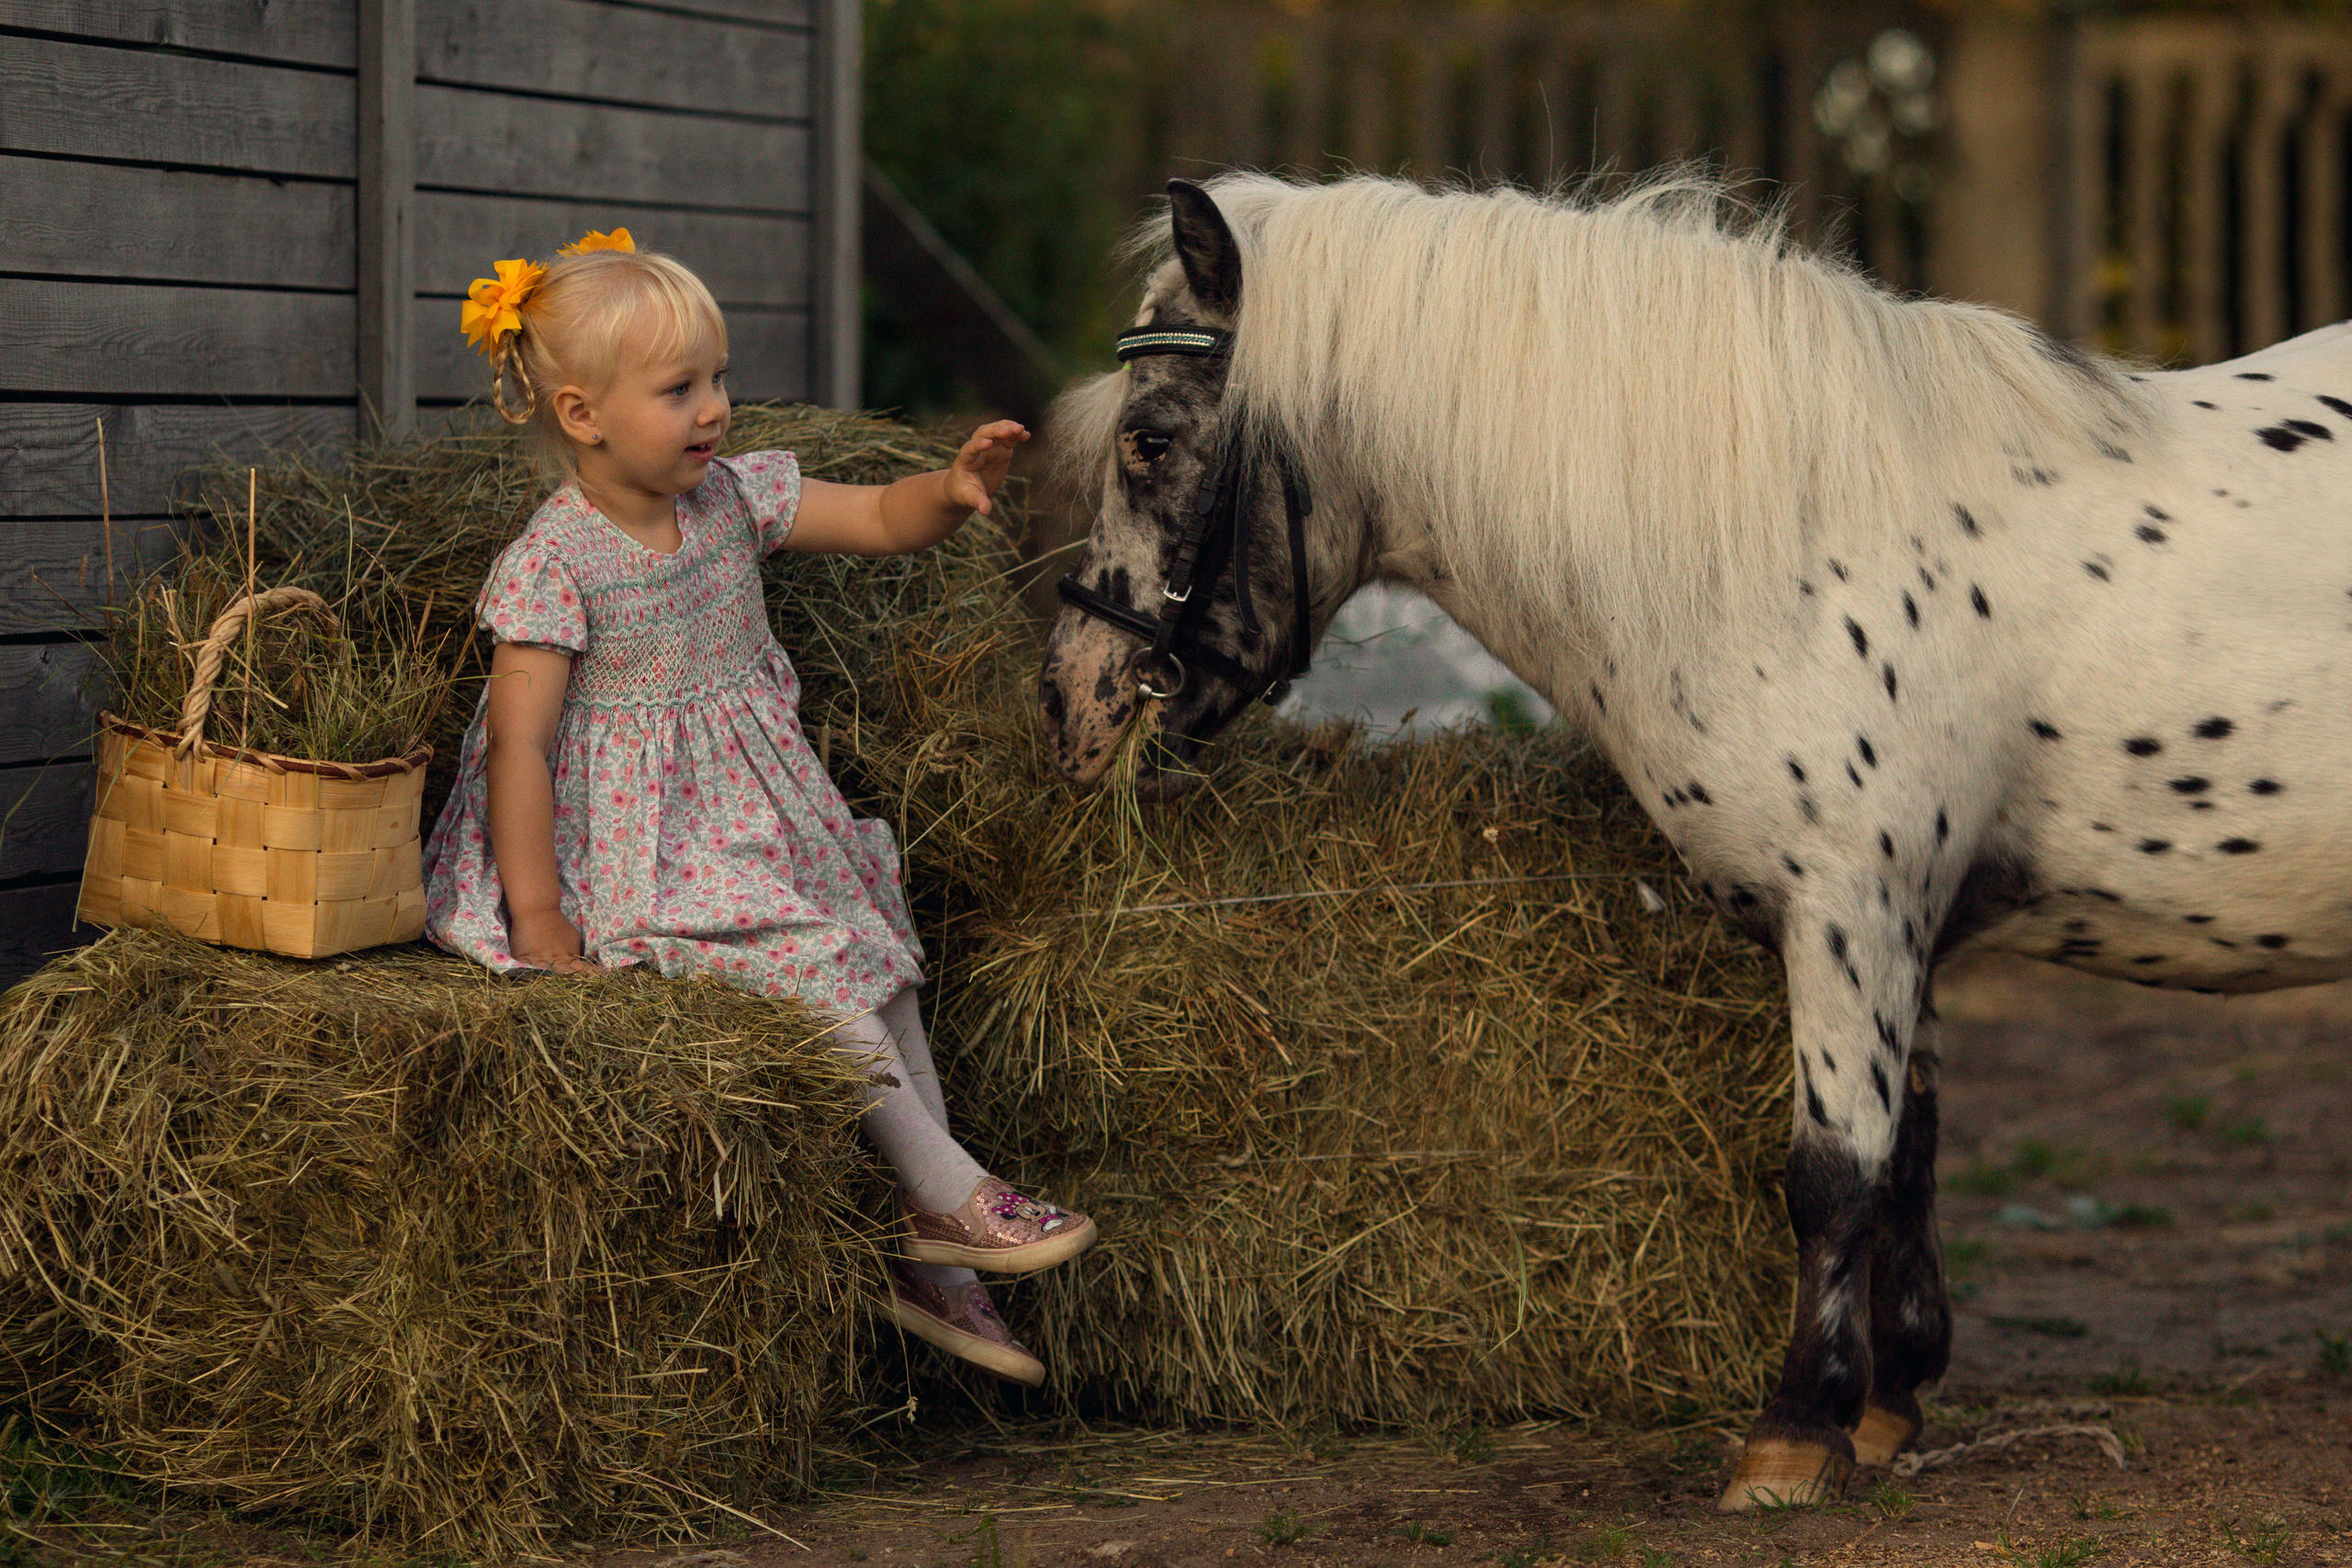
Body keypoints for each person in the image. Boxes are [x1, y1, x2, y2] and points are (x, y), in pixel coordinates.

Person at [422, 230, 1091, 1386]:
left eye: (718, 378)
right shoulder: (556, 562)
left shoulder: (733, 498)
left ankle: (938, 1263)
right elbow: (518, 749)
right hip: (633, 845)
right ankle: (951, 1200)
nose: (715, 409)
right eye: (680, 389)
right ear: (582, 416)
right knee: (821, 982)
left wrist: (950, 485)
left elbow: (879, 517)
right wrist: (538, 920)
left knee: (882, 974)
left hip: (751, 816)